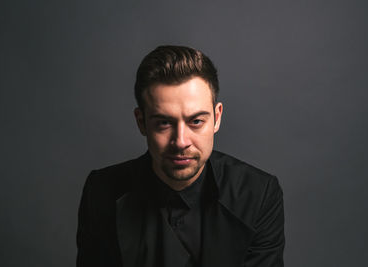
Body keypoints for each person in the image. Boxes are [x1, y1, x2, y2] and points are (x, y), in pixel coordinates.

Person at [76, 45, 285, 267]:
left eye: (196, 121)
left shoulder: (259, 194)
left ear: (217, 118)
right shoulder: (101, 193)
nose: (181, 141)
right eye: (164, 123)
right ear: (141, 122)